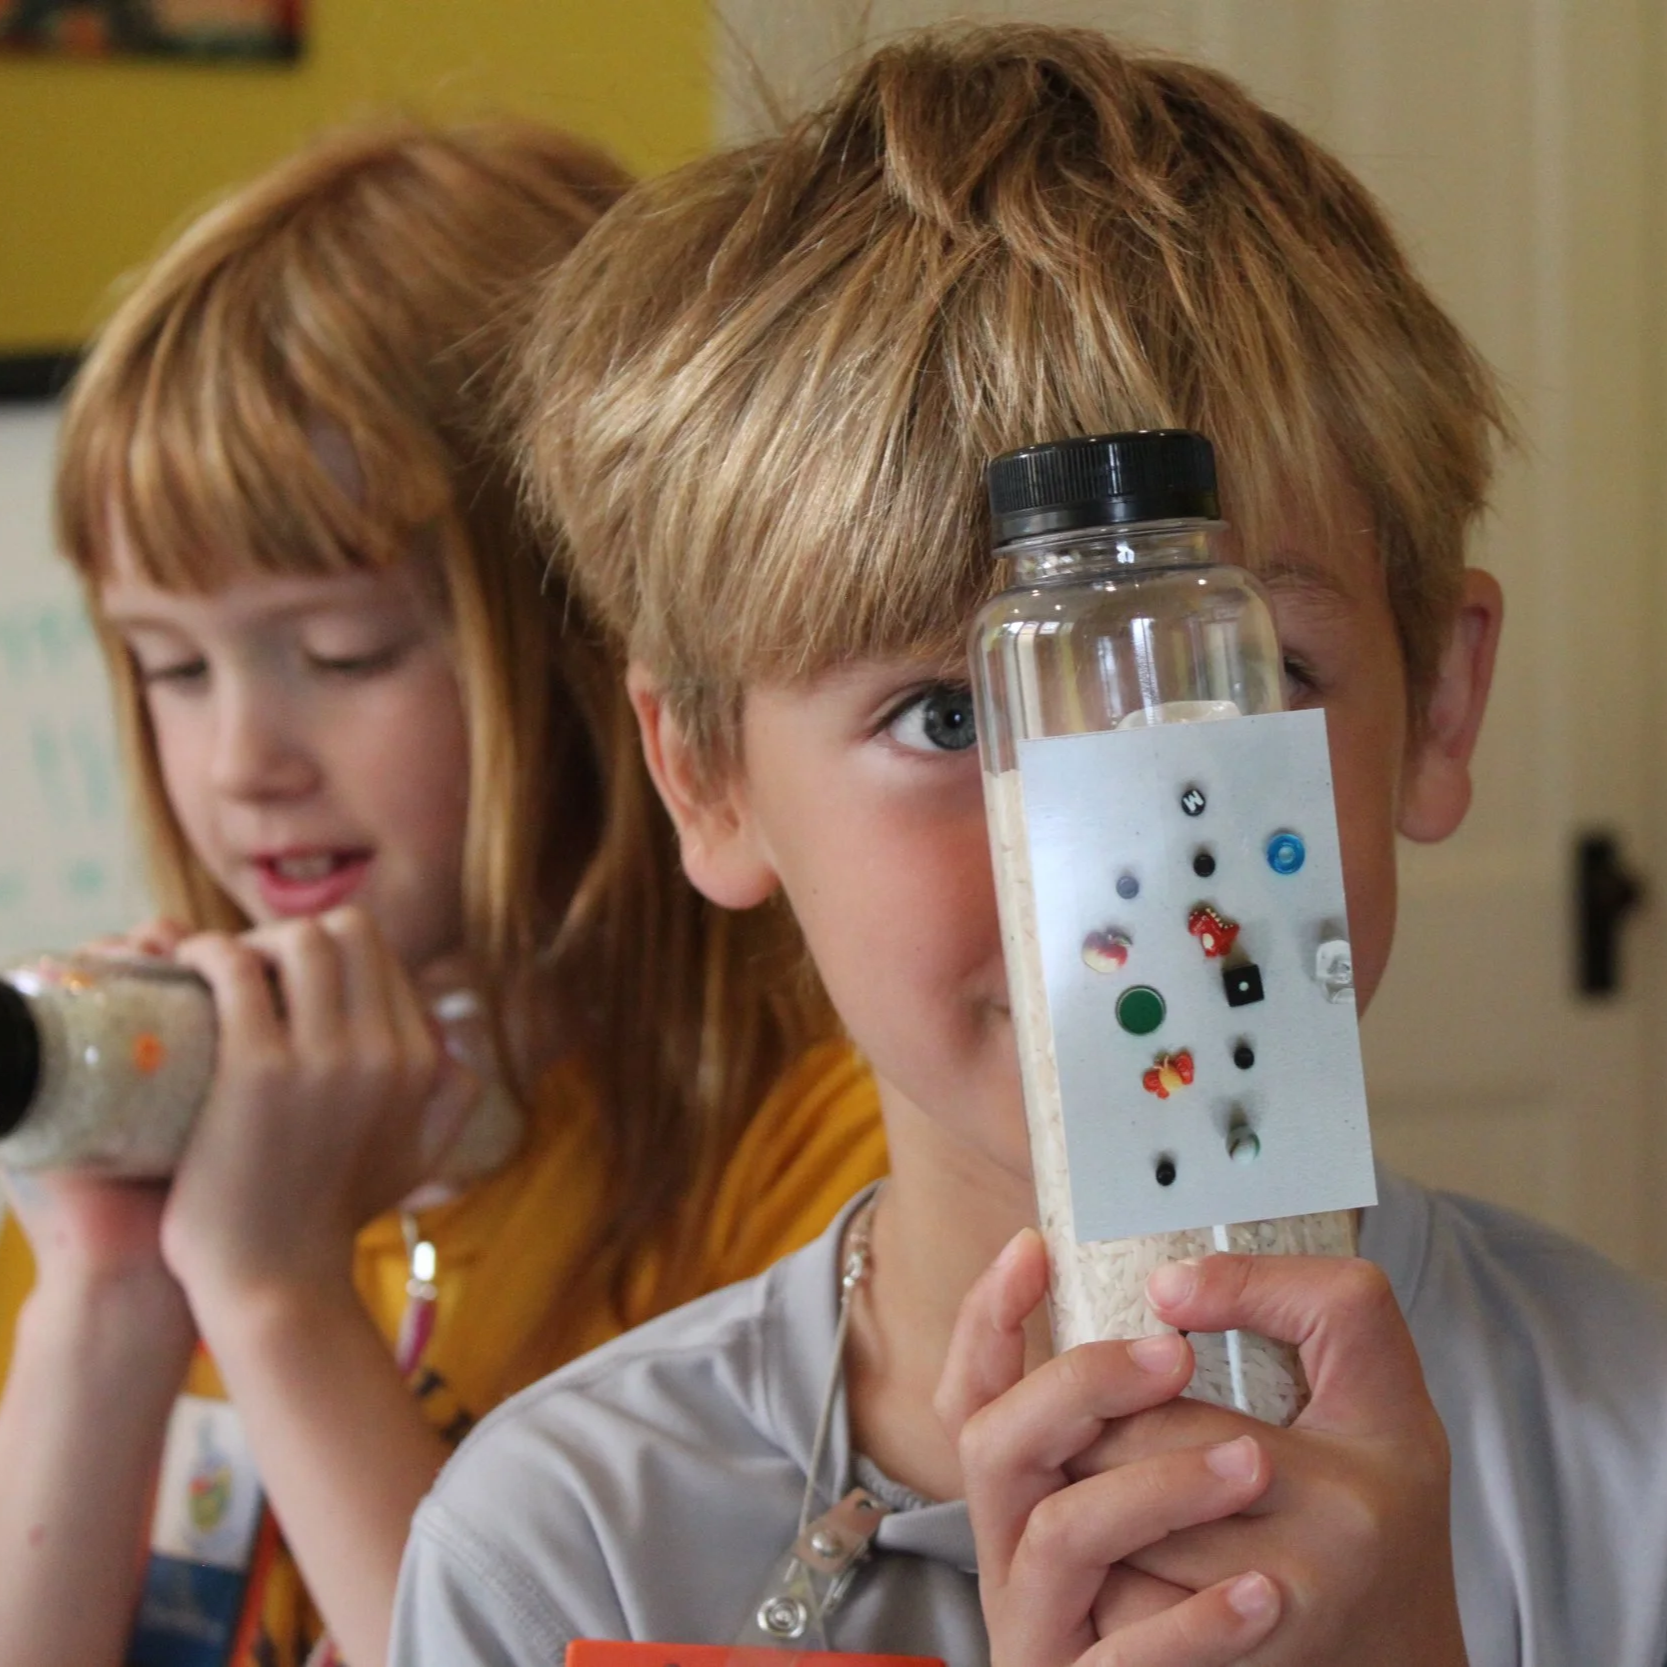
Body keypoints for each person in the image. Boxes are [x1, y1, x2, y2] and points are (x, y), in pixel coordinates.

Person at [390, 23, 1667, 1667]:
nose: (1109, 885)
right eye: (946, 717)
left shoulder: (1623, 1451)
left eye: (1239, 678)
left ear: (1434, 706)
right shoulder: (566, 1553)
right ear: (707, 774)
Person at [0, 120, 886, 1667]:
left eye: (340, 655)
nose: (240, 761)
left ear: (595, 641)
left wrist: (277, 1298)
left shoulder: (824, 1165)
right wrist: (108, 1300)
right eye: (168, 666)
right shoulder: (167, 1130)